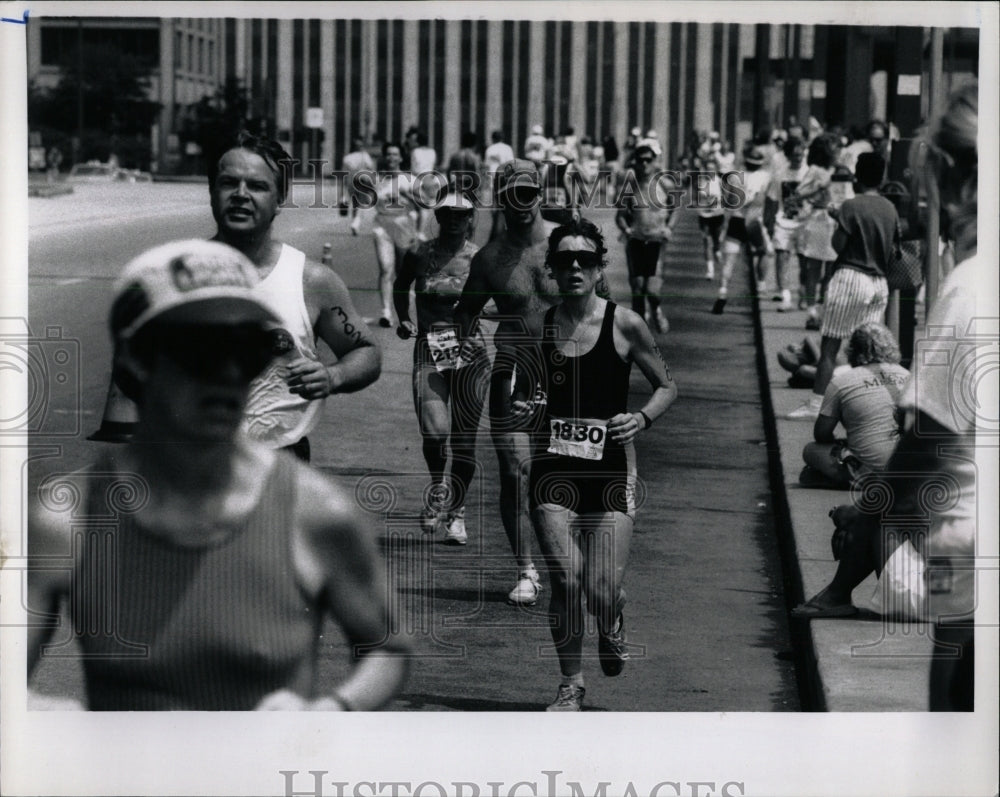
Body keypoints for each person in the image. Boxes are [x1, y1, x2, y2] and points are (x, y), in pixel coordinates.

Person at [27, 239, 412, 710]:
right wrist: (46, 713)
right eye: (200, 353)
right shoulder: (71, 519)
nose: (227, 374)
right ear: (135, 361)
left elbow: (387, 648)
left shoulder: (312, 511)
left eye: (245, 352)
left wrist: (332, 711)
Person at [510, 218, 677, 711]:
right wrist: (524, 410)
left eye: (585, 259)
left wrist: (641, 418)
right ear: (553, 270)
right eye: (565, 261)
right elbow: (525, 397)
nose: (576, 268)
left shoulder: (625, 324)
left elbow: (668, 385)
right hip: (552, 472)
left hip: (610, 472)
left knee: (602, 589)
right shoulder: (537, 327)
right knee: (566, 581)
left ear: (600, 266)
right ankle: (571, 684)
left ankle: (613, 617)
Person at [454, 160, 608, 606]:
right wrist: (458, 349)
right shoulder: (489, 259)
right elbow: (466, 312)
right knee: (514, 472)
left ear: (540, 194)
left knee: (573, 469)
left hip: (570, 366)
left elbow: (605, 301)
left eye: (528, 193)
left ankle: (571, 559)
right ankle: (526, 569)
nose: (520, 203)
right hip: (514, 369)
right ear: (500, 198)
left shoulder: (569, 244)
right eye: (511, 194)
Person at [208, 132, 380, 461]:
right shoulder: (176, 272)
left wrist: (334, 375)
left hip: (280, 463)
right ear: (212, 191)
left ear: (280, 198)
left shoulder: (311, 280)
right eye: (229, 183)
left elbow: (366, 351)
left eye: (257, 186)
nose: (241, 195)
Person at [393, 191, 485, 544]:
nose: (453, 220)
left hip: (470, 353)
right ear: (439, 215)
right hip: (430, 350)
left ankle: (457, 512)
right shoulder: (420, 252)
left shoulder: (480, 258)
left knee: (464, 441)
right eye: (447, 213)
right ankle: (438, 486)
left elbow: (502, 301)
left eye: (460, 215)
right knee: (434, 433)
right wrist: (404, 318)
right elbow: (401, 286)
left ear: (470, 218)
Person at [787, 151, 897, 420]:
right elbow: (892, 250)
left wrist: (840, 220)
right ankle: (872, 409)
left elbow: (839, 246)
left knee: (830, 348)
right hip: (878, 283)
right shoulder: (889, 208)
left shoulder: (851, 206)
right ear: (882, 177)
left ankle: (816, 407)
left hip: (850, 277)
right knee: (870, 351)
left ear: (857, 175)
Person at [799, 322, 908, 488]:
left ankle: (855, 478)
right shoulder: (909, 376)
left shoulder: (842, 382)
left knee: (811, 450)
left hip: (871, 469)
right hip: (910, 469)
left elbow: (821, 434)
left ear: (852, 351)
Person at [615, 137, 677, 331]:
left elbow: (676, 209)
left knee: (651, 290)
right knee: (637, 289)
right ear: (635, 161)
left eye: (648, 159)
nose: (644, 163)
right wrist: (626, 229)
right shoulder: (630, 188)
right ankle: (640, 332)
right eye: (641, 159)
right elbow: (620, 216)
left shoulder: (665, 184)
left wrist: (669, 228)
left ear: (655, 161)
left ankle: (656, 309)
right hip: (636, 241)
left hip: (657, 241)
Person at [367, 140, 420, 328]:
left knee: (402, 272)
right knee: (385, 268)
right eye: (388, 154)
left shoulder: (410, 180)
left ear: (401, 157)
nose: (391, 158)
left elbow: (424, 205)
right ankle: (386, 313)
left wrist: (407, 197)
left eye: (395, 154)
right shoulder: (377, 180)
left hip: (404, 226)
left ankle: (403, 309)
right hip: (382, 226)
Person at [714, 144, 772, 314]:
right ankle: (761, 286)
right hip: (755, 221)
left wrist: (724, 225)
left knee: (730, 260)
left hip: (736, 220)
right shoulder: (766, 177)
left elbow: (727, 202)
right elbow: (767, 200)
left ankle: (722, 292)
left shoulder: (734, 177)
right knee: (764, 252)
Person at [792, 134, 840, 329]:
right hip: (819, 219)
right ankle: (811, 310)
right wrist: (818, 189)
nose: (837, 152)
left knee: (831, 269)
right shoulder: (815, 170)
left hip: (835, 220)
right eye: (834, 148)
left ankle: (823, 310)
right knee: (814, 268)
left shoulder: (838, 170)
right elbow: (798, 193)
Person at [764, 136, 808, 310]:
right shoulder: (780, 175)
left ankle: (803, 293)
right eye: (795, 155)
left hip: (804, 222)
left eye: (801, 154)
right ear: (788, 155)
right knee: (782, 256)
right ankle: (785, 295)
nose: (798, 158)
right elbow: (772, 199)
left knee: (805, 262)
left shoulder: (809, 172)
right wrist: (768, 223)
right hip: (784, 222)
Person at [694, 153, 726, 281]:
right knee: (707, 241)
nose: (710, 171)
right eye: (708, 168)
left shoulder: (720, 181)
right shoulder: (699, 182)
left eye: (712, 169)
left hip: (717, 214)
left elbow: (727, 199)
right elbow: (695, 198)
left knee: (716, 240)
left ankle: (717, 250)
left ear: (716, 170)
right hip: (704, 215)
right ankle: (710, 270)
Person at [484, 130, 516, 240]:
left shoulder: (490, 149)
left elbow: (487, 166)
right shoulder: (507, 148)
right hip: (504, 179)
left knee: (494, 205)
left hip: (493, 178)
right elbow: (511, 164)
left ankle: (496, 227)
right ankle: (501, 228)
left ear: (493, 138)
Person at [340, 136, 376, 233]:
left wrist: (342, 191)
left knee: (355, 202)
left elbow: (343, 173)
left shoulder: (347, 158)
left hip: (350, 181)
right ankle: (356, 222)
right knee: (361, 203)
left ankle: (354, 222)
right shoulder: (365, 156)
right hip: (362, 180)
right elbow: (371, 168)